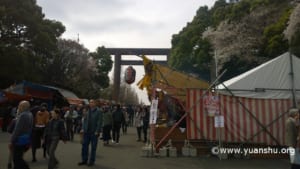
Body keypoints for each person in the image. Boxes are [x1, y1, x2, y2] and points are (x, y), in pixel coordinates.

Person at [78, 99, 102, 166]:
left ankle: (91, 161)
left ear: (95, 103)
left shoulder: (99, 111)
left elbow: (99, 122)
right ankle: (84, 160)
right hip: (86, 132)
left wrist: (97, 131)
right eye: (90, 102)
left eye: (92, 102)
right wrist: (82, 128)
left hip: (94, 133)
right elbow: (84, 120)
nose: (91, 103)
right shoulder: (87, 111)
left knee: (93, 148)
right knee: (84, 146)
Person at [10, 100, 33, 169]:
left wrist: (12, 140)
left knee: (17, 159)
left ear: (23, 107)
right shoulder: (30, 114)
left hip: (18, 140)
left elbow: (17, 129)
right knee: (19, 157)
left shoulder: (22, 115)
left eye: (19, 106)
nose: (18, 107)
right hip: (25, 139)